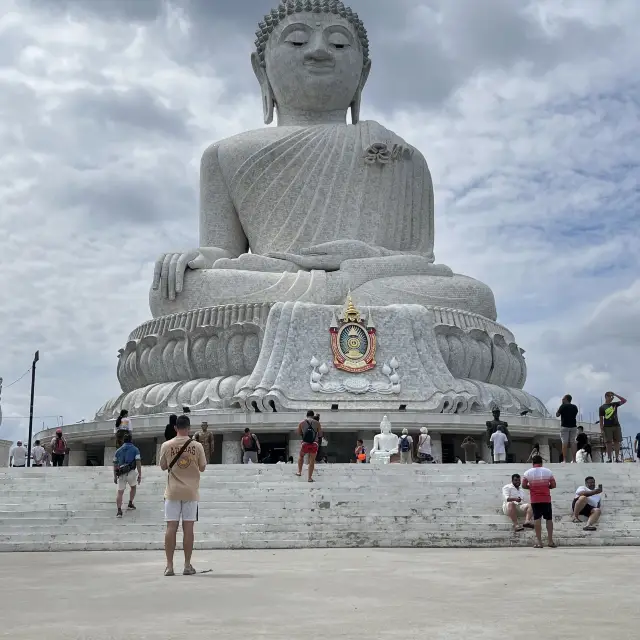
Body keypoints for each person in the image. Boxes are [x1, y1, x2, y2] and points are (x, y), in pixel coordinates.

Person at [159, 414, 206, 577]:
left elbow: (163, 466)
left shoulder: (166, 445)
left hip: (172, 492)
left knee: (171, 527)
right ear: (189, 428)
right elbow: (202, 467)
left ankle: (169, 566)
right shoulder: (197, 446)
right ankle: (187, 565)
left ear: (175, 428)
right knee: (188, 529)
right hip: (191, 492)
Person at [522, 455, 557, 548]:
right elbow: (553, 485)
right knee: (549, 519)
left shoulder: (527, 473)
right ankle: (550, 541)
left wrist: (531, 487)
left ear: (532, 463)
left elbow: (523, 485)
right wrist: (546, 487)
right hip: (546, 499)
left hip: (535, 499)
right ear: (542, 462)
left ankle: (539, 542)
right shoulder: (548, 471)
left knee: (537, 519)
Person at [113, 433, 142, 518]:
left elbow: (115, 464)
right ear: (131, 440)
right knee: (133, 487)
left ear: (123, 441)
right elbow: (138, 462)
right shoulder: (135, 449)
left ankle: (119, 511)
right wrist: (140, 474)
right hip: (131, 472)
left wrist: (115, 476)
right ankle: (130, 503)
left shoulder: (118, 451)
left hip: (121, 473)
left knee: (120, 492)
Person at [599, 391, 627, 463]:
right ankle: (609, 458)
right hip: (607, 426)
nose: (611, 398)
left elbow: (624, 400)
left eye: (612, 397)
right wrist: (601, 429)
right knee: (608, 443)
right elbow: (601, 419)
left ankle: (617, 458)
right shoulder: (602, 407)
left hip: (616, 425)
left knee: (617, 442)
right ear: (606, 397)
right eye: (610, 396)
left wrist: (615, 394)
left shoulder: (614, 404)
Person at [296, 410, 322, 482]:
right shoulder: (317, 423)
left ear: (306, 415)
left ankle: (299, 472)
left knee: (301, 456)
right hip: (314, 443)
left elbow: (298, 433)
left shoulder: (302, 423)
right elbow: (320, 434)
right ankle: (309, 478)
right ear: (313, 416)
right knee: (312, 460)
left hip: (305, 443)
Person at [556, 394, 579, 463]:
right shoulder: (575, 407)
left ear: (566, 399)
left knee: (564, 443)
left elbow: (557, 415)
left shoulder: (563, 406)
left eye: (563, 399)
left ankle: (564, 459)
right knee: (573, 442)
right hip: (573, 426)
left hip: (565, 426)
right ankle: (574, 460)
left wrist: (560, 407)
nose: (562, 400)